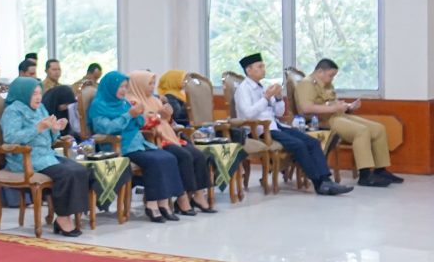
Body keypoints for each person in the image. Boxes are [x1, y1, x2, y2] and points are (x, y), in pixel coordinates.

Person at [233, 54, 353, 196]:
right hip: (259, 129)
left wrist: (278, 98)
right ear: (249, 70)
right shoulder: (243, 89)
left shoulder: (262, 87)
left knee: (313, 142)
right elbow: (248, 114)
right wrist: (266, 98)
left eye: (263, 66)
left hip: (275, 125)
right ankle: (319, 184)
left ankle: (326, 179)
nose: (263, 69)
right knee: (298, 145)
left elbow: (279, 112)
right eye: (260, 66)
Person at [88, 71, 188, 222]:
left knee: (169, 158)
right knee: (155, 161)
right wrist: (129, 115)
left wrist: (140, 114)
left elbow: (140, 124)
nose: (124, 90)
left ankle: (163, 204)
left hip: (138, 143)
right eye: (120, 87)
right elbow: (106, 128)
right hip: (118, 146)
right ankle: (151, 205)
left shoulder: (124, 103)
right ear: (110, 87)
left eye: (125, 87)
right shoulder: (98, 106)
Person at [0, 77, 92, 237]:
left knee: (80, 170)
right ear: (23, 93)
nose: (38, 97)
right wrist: (38, 128)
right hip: (25, 158)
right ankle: (62, 218)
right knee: (65, 174)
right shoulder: (13, 111)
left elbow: (50, 137)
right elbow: (11, 138)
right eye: (34, 94)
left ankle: (68, 215)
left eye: (39, 93)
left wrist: (56, 128)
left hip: (46, 155)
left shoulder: (41, 108)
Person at [296, 59, 400, 187]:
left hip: (338, 115)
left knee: (378, 129)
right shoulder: (306, 84)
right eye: (331, 75)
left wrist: (349, 106)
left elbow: (332, 101)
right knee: (361, 131)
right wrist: (334, 108)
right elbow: (306, 108)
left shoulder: (326, 84)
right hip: (323, 121)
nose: (332, 79)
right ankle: (365, 175)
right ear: (320, 71)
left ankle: (380, 170)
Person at [126, 71, 216, 214]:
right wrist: (159, 116)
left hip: (169, 136)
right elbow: (141, 124)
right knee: (184, 156)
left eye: (153, 84)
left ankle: (198, 195)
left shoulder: (154, 100)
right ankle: (183, 198)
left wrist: (167, 115)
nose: (152, 87)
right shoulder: (132, 101)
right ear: (139, 84)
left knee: (198, 155)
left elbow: (166, 121)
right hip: (155, 140)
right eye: (149, 84)